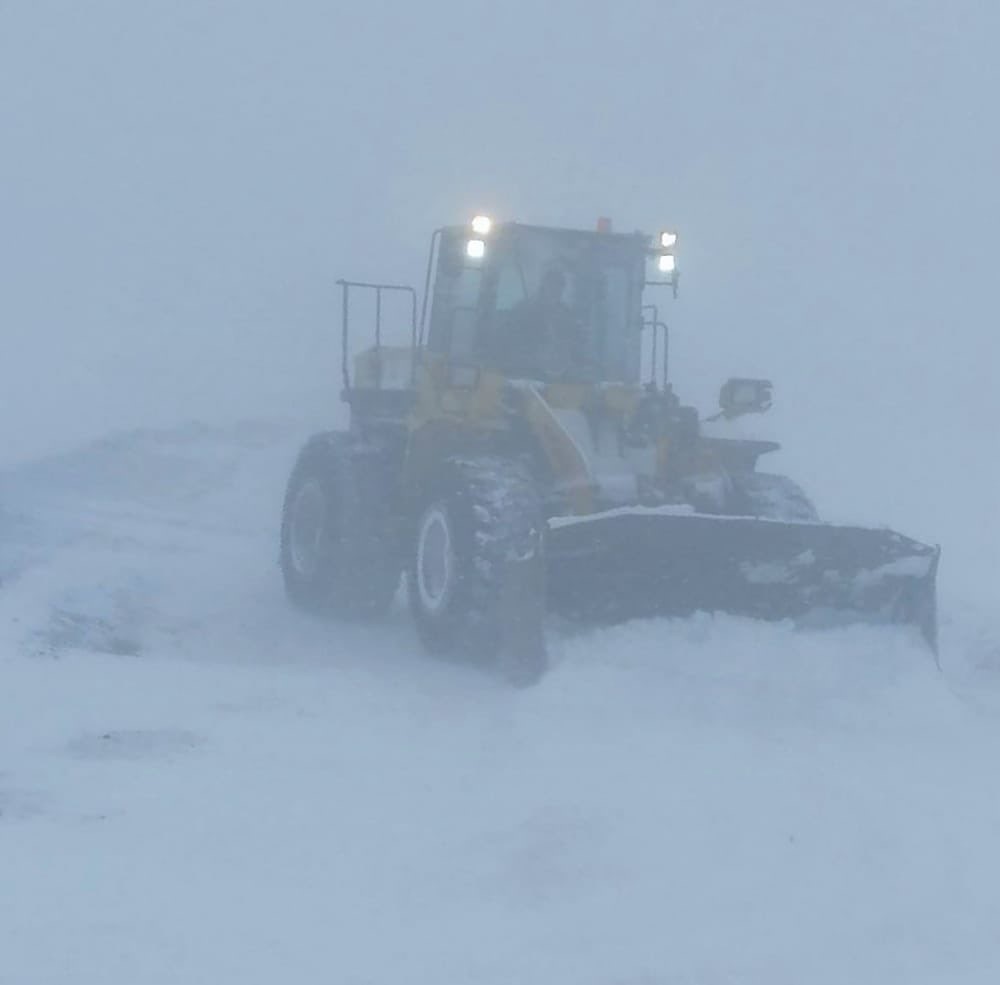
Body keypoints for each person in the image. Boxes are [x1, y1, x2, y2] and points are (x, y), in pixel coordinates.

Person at [500, 266, 588, 378]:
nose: (555, 291)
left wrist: (577, 337)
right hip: (524, 373)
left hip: (560, 374)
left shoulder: (566, 315)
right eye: (551, 287)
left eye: (558, 288)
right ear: (543, 287)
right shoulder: (523, 310)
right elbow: (509, 340)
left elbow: (573, 343)